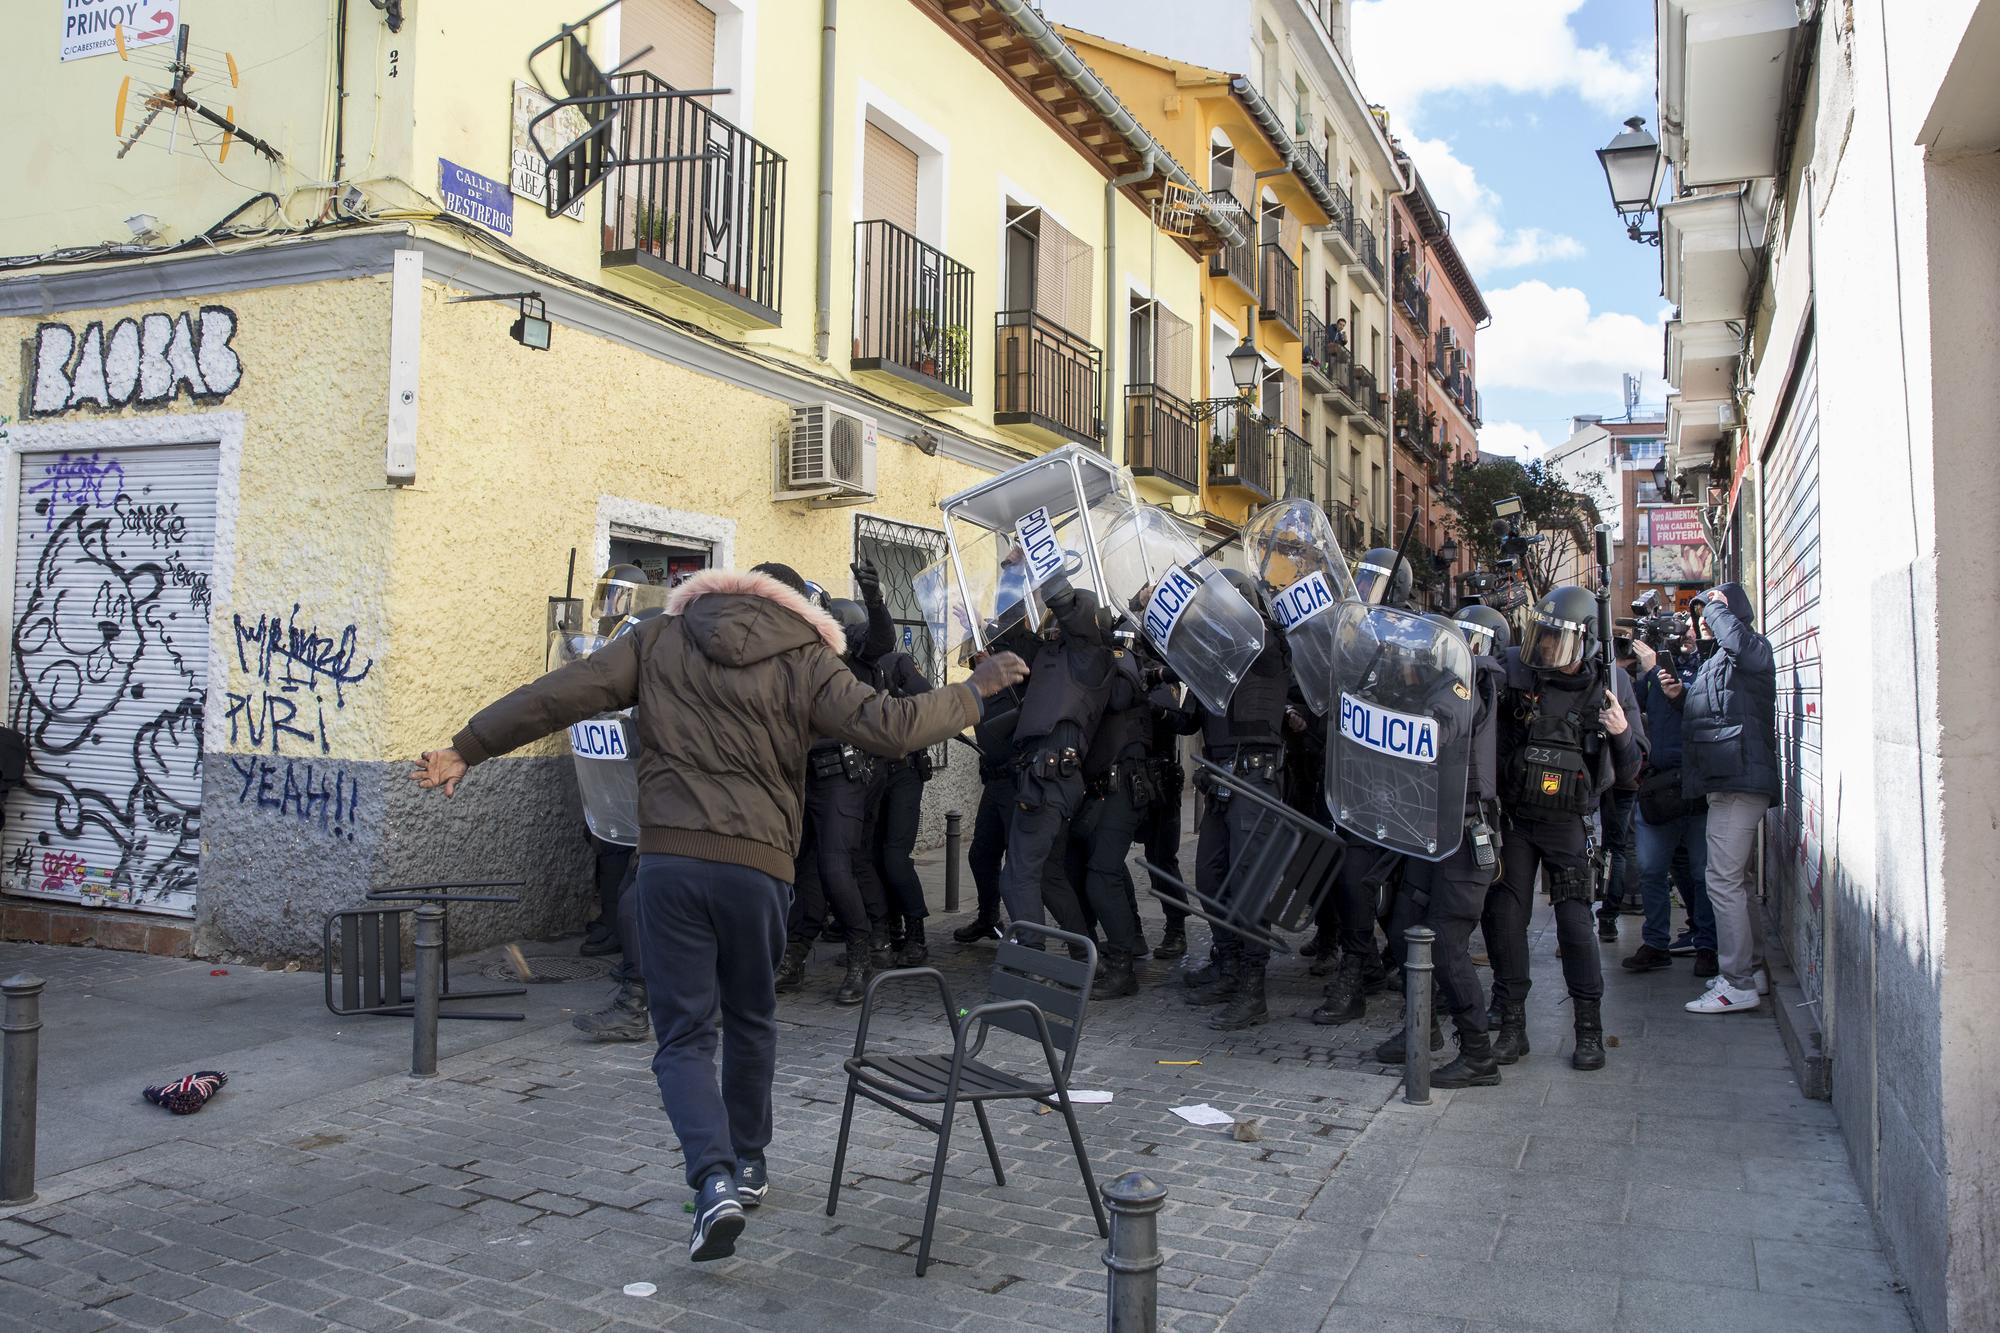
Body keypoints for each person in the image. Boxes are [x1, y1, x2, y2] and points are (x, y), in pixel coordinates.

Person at [409, 562, 1026, 1263]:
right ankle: (752, 1161)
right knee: (753, 1018)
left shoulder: (658, 639)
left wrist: (468, 746)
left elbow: (558, 695)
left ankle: (713, 1181)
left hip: (669, 863)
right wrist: (974, 691)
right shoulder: (805, 656)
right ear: (791, 605)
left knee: (683, 1038)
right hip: (757, 868)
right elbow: (888, 725)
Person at [1483, 585, 1647, 1072]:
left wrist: (1620, 733)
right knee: (1506, 921)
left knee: (1576, 927)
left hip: (1568, 823)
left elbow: (1635, 769)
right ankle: (1512, 1027)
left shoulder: (1612, 684)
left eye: (1558, 639)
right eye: (1542, 636)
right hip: (1516, 820)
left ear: (1586, 642)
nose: (1547, 648)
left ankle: (1589, 1030)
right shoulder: (1518, 672)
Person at [1372, 607, 1508, 1087]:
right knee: (1403, 929)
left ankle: (1478, 1057)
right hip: (1430, 833)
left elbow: (1440, 730)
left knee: (1447, 947)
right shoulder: (1428, 687)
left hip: (1463, 838)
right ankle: (1422, 1029)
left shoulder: (1459, 688)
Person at [1177, 569, 1292, 1030]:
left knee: (1251, 884)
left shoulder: (1266, 647)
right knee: (1210, 878)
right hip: (1219, 783)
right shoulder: (1212, 660)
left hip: (1256, 782)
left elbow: (1260, 643)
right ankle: (1226, 964)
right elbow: (1187, 723)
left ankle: (1252, 987)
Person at [1678, 583, 1779, 1014]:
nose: (1702, 621)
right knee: (1737, 881)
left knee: (1721, 880)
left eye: (1710, 614)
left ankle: (1736, 982)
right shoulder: (1721, 659)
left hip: (1740, 783)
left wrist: (1718, 611)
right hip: (1729, 780)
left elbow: (1743, 648)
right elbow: (1715, 708)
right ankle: (1751, 969)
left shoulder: (1751, 647)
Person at [997, 576, 1115, 941]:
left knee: (1017, 876)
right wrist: (1013, 576)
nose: (1053, 623)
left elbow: (1065, 604)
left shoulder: (1090, 655)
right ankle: (1084, 954)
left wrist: (1041, 563)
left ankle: (1030, 965)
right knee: (1047, 877)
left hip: (1048, 777)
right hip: (1043, 776)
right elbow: (1010, 630)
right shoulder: (1053, 655)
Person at [1060, 626, 1154, 997]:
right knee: (1079, 869)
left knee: (1102, 873)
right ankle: (1100, 953)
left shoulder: (1118, 658)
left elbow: (1117, 697)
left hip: (1123, 785)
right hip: (1093, 788)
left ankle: (1122, 967)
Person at [1620, 629, 1718, 977]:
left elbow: (1713, 709)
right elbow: (1630, 710)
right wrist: (1643, 671)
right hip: (1660, 787)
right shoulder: (1652, 676)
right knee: (1651, 870)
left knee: (1703, 873)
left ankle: (1707, 945)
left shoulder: (1711, 668)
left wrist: (1680, 689)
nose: (1688, 638)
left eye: (1696, 633)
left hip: (1699, 785)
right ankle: (1656, 943)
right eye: (1682, 635)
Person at [955, 618, 1038, 944]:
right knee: (981, 855)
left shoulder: (1017, 683)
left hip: (1018, 781)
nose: (974, 658)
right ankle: (988, 918)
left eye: (978, 651)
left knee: (1017, 867)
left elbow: (1026, 640)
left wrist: (985, 623)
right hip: (993, 783)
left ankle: (1026, 936)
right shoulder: (976, 689)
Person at [1595, 639, 1643, 942]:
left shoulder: (1617, 680)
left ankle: (1607, 916)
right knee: (1618, 846)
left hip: (1618, 775)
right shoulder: (1625, 678)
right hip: (1622, 775)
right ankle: (1609, 917)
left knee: (1615, 847)